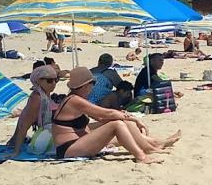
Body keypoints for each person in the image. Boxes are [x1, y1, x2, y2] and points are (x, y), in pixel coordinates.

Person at [47, 67, 179, 164]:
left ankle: (155, 145)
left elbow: (101, 117)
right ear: (84, 85)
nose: (93, 87)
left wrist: (124, 116)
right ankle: (141, 157)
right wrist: (134, 119)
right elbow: (107, 113)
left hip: (81, 140)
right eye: (92, 84)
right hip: (69, 148)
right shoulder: (74, 100)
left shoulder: (76, 98)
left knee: (124, 126)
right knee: (117, 124)